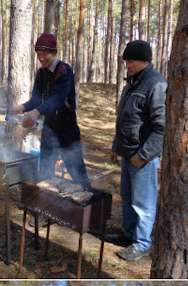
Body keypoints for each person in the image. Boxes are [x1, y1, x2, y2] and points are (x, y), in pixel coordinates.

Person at [107, 40, 167, 262]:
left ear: (145, 61)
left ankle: (142, 244)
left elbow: (162, 127)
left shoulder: (157, 84)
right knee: (127, 197)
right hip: (127, 153)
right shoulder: (131, 84)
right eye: (125, 61)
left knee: (143, 202)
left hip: (144, 158)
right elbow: (124, 119)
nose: (127, 65)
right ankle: (129, 235)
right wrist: (116, 146)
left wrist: (144, 155)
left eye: (130, 61)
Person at [11, 33, 92, 188]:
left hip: (67, 129)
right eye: (38, 54)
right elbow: (36, 99)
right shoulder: (41, 73)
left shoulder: (64, 71)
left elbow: (58, 98)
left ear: (54, 53)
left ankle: (87, 204)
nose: (41, 58)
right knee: (46, 172)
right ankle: (46, 206)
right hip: (49, 129)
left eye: (45, 54)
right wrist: (22, 107)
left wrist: (36, 112)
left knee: (77, 172)